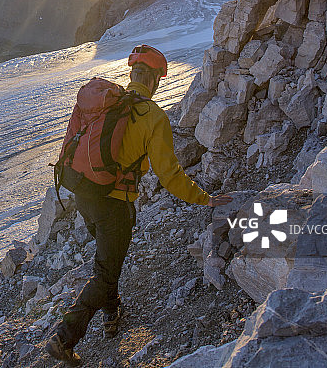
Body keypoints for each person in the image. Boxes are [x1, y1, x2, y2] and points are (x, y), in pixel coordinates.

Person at [45, 44, 232, 366]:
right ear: (157, 79)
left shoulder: (108, 105)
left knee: (109, 259)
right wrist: (205, 198)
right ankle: (64, 337)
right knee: (106, 270)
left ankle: (111, 313)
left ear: (131, 74)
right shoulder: (152, 116)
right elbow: (169, 174)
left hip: (84, 196)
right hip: (114, 205)